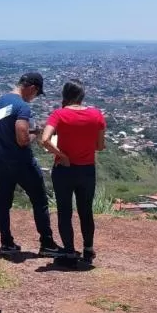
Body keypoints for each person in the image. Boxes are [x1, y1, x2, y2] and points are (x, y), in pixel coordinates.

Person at [0, 72, 59, 256]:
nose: (34, 97)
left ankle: (6, 242)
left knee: (4, 202)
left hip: (3, 160)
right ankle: (47, 243)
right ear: (33, 88)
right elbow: (22, 138)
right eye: (36, 93)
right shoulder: (22, 107)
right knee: (40, 201)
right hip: (22, 161)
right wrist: (36, 133)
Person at [41, 80, 106, 264]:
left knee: (64, 212)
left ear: (65, 95)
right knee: (86, 211)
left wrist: (62, 155)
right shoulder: (96, 115)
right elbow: (100, 146)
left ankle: (69, 251)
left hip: (64, 170)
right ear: (82, 95)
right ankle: (88, 249)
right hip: (86, 170)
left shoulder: (59, 115)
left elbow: (45, 140)